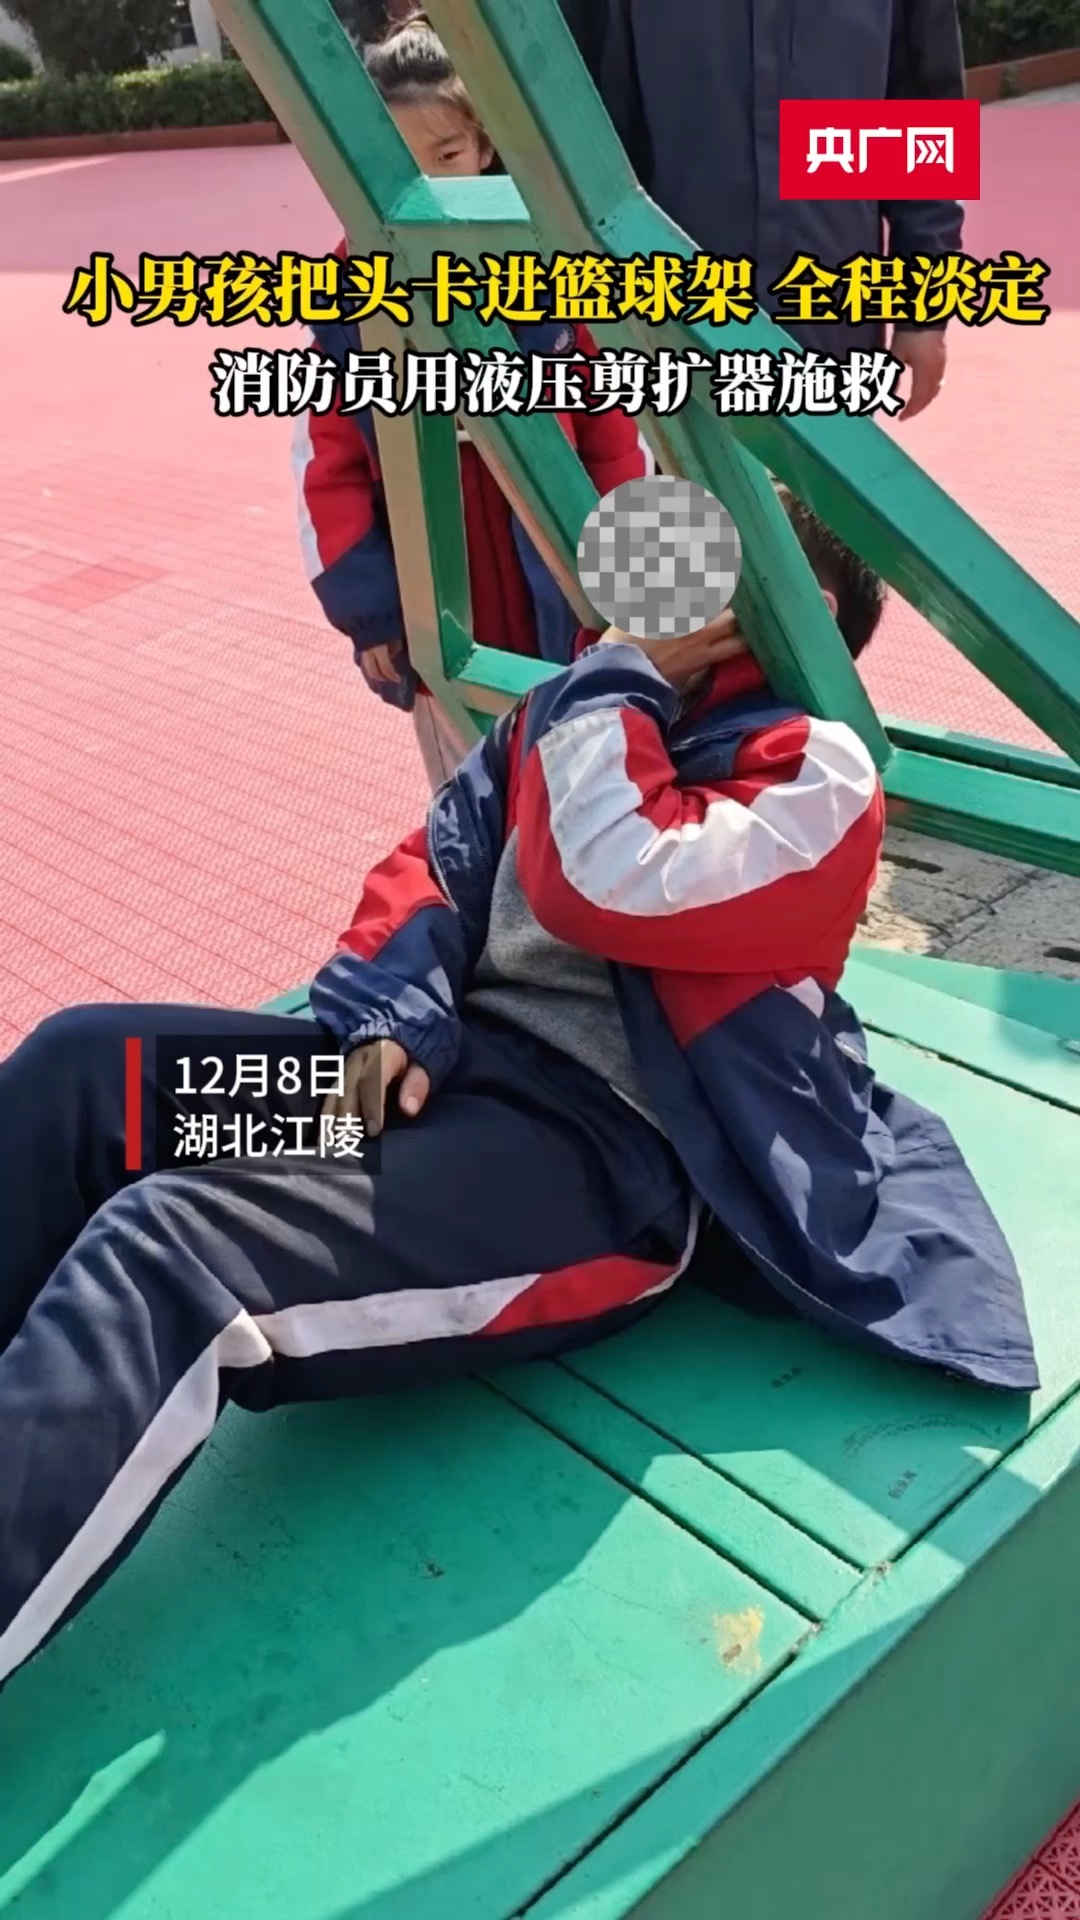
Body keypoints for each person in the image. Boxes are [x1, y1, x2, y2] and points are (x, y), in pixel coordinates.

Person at [0, 487, 1037, 1693]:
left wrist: (616, 683)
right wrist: (391, 1021)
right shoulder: (581, 705)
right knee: (87, 1071)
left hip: (598, 1156)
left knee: (172, 1248)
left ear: (761, 611)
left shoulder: (815, 777)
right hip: (441, 1072)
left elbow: (605, 875)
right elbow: (437, 862)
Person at [293, 9, 653, 788]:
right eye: (399, 159)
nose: (425, 180)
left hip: (556, 560)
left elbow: (610, 426)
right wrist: (370, 607)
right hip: (439, 585)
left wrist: (627, 558)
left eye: (447, 154)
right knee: (467, 777)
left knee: (580, 752)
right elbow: (329, 462)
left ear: (484, 146)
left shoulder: (547, 264)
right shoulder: (348, 292)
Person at [557, 0, 963, 420]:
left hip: (830, 322)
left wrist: (924, 310)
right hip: (676, 328)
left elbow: (925, 119)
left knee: (824, 458)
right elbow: (585, 121)